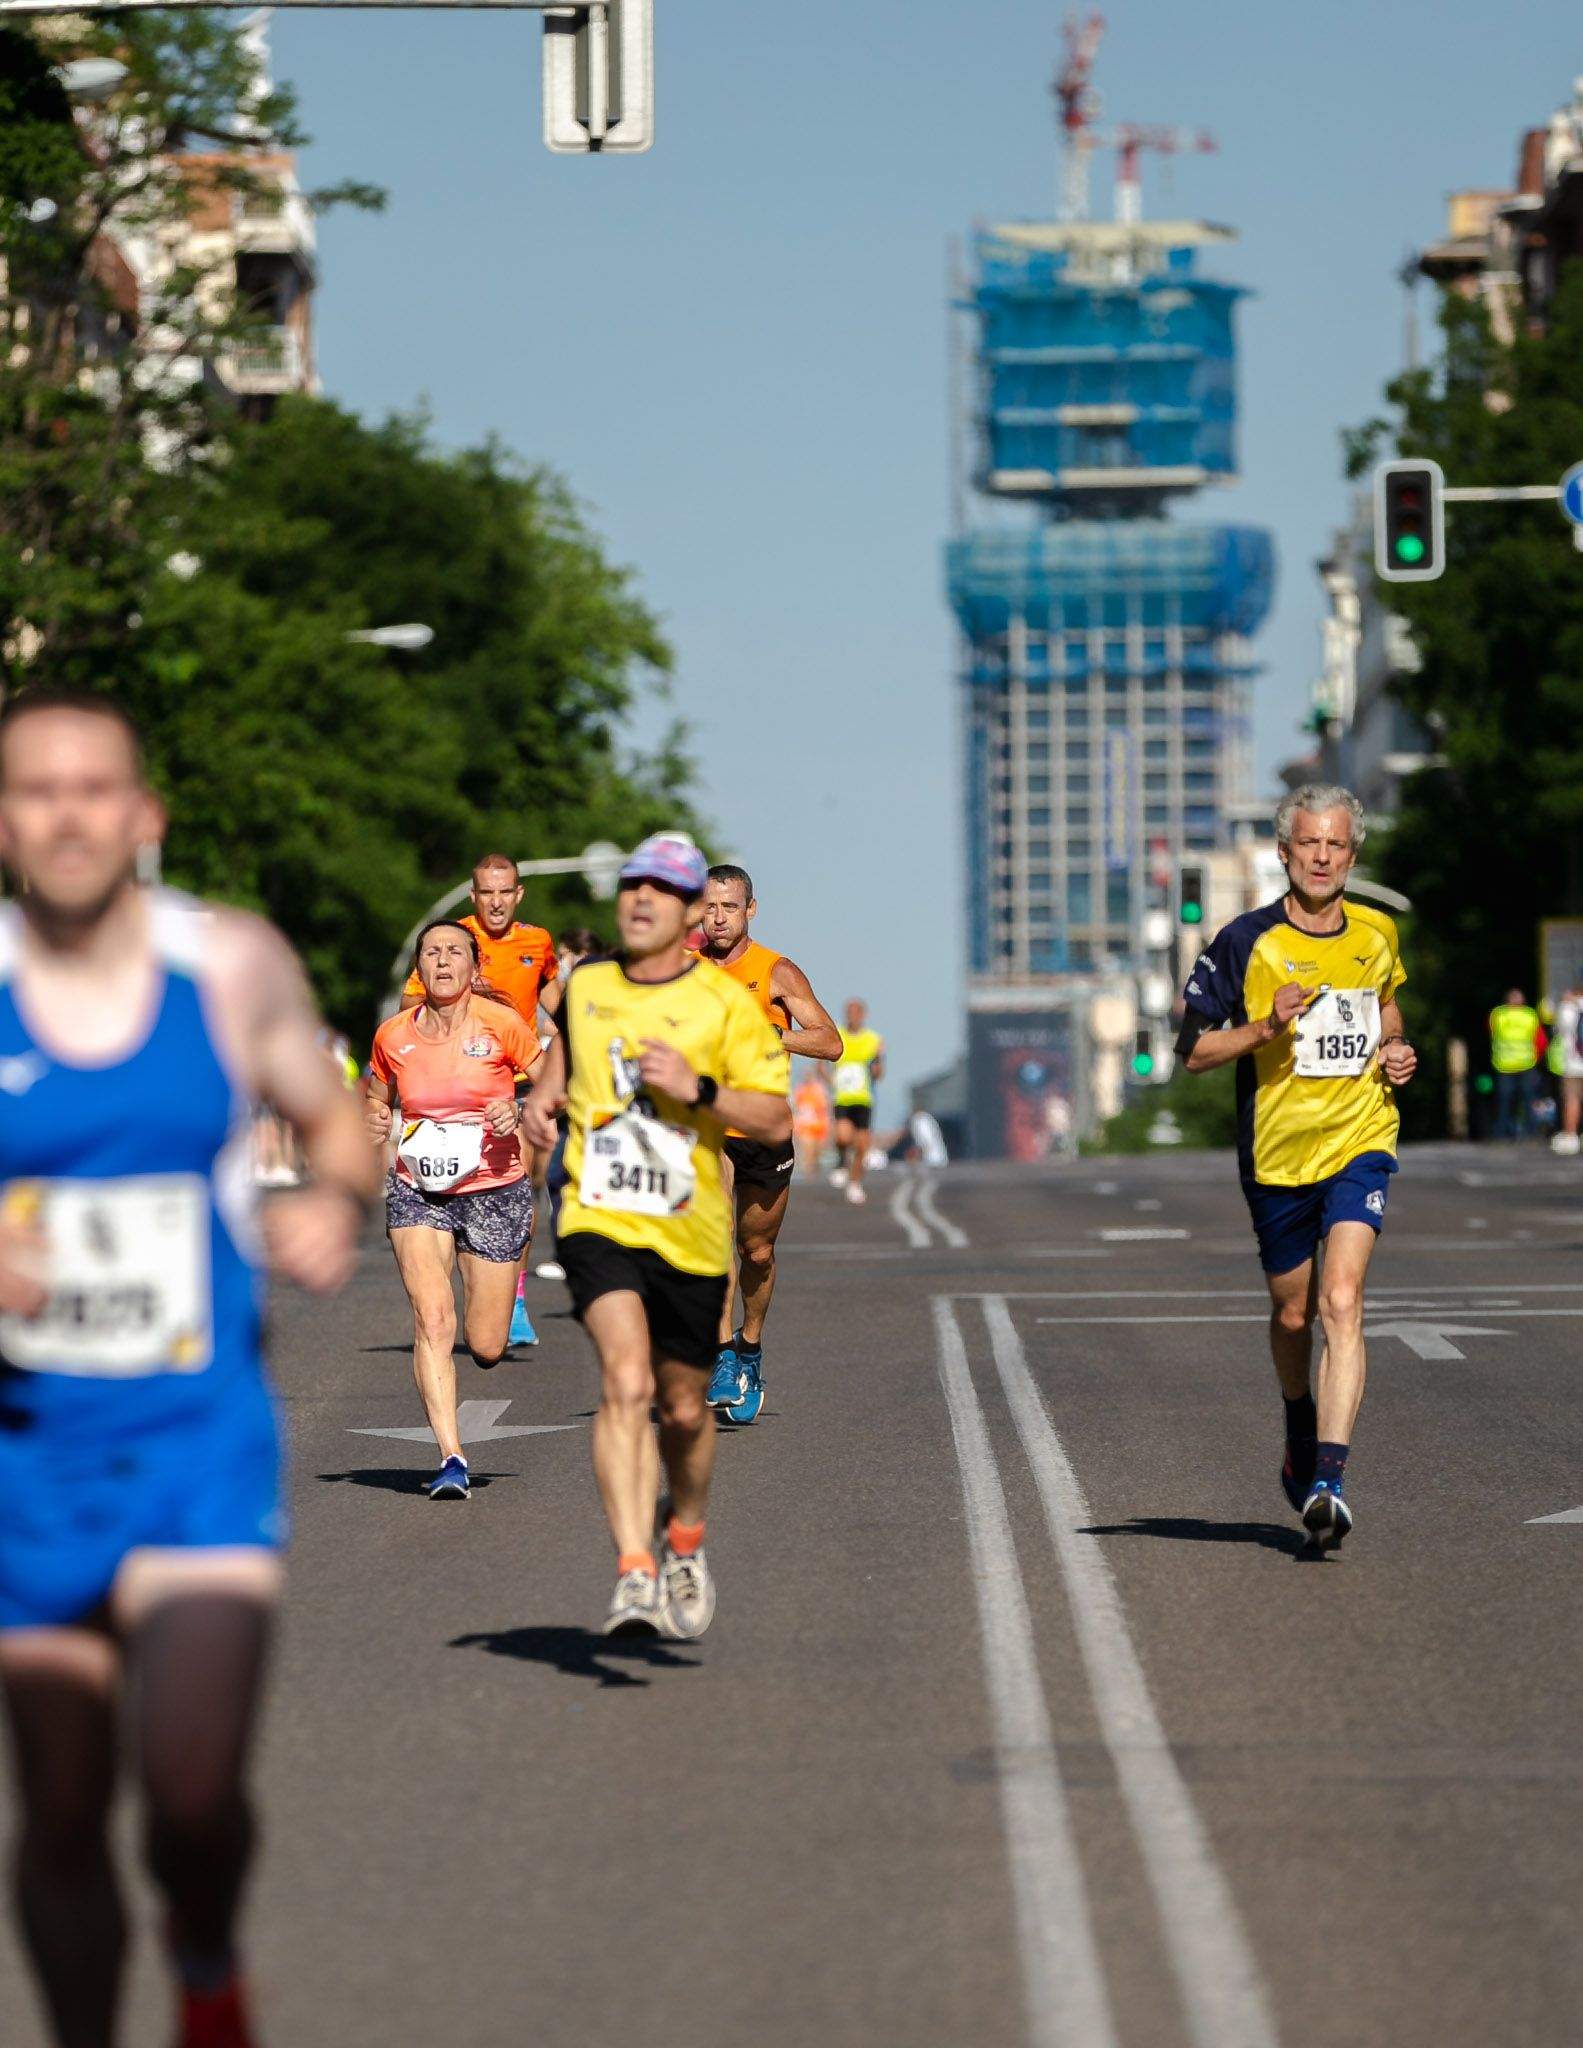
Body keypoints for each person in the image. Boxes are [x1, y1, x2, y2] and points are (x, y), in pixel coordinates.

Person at [0, 691, 377, 2048]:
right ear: (3, 821)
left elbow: (341, 1124)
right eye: (35, 789)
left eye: (93, 787)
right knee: (58, 1807)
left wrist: (331, 1201)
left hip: (194, 1448)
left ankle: (205, 1952)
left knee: (191, 1790)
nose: (66, 813)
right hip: (27, 1462)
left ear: (142, 815)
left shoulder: (227, 967)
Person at [521, 834, 791, 1638]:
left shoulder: (724, 1004)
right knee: (624, 1383)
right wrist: (542, 1102)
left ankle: (683, 1541)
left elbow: (774, 1117)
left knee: (681, 1410)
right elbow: (559, 1068)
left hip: (690, 1226)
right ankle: (633, 1570)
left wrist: (697, 1088)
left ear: (686, 915)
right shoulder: (588, 985)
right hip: (598, 1213)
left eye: (659, 890)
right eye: (631, 886)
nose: (639, 899)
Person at [1175, 784, 1417, 1551]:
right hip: (1278, 1155)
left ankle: (1327, 1481)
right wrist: (1264, 1025)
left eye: (1335, 845)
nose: (1321, 857)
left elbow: (1385, 1008)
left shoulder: (1376, 932)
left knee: (1341, 1300)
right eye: (1307, 844)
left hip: (1359, 1137)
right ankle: (1295, 1418)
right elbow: (1193, 1053)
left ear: (1352, 854)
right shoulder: (1243, 941)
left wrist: (1394, 1050)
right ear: (1284, 854)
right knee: (1293, 1313)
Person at [368, 922, 543, 1500]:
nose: (443, 961)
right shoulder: (393, 1035)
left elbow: (550, 1089)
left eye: (454, 952)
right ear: (419, 967)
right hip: (419, 1189)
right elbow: (377, 1094)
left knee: (487, 1346)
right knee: (432, 1320)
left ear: (474, 967)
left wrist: (516, 1110)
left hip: (494, 1187)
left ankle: (508, 1277)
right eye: (432, 952)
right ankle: (450, 1456)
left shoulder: (503, 1026)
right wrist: (373, 1117)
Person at [693, 864, 840, 1425]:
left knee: (756, 1251)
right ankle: (722, 1357)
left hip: (763, 1129)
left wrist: (776, 1035)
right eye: (709, 907)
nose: (718, 917)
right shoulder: (683, 970)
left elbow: (831, 1043)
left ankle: (749, 1346)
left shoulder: (776, 972)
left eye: (729, 907)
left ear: (750, 910)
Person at [402, 854, 559, 1350]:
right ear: (474, 896)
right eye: (486, 892)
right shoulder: (450, 943)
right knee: (459, 1186)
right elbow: (409, 1004)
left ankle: (512, 1296)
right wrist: (470, 994)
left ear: (518, 895)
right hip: (461, 1086)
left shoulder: (538, 942)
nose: (496, 901)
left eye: (504, 891)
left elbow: (555, 998)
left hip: (519, 1085)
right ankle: (464, 1285)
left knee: (522, 1189)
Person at [534, 927, 603, 1283]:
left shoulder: (600, 993)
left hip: (595, 1105)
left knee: (589, 1176)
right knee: (558, 1177)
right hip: (563, 1104)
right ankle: (568, 1251)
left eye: (568, 955)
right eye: (560, 956)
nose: (562, 963)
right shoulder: (554, 997)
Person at [829, 999, 885, 1205]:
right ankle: (842, 1160)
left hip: (863, 1098)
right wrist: (831, 1082)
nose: (852, 1016)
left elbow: (879, 1073)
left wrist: (878, 1061)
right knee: (843, 1137)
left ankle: (854, 1183)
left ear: (863, 1015)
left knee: (862, 1145)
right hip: (842, 1097)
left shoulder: (873, 1040)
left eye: (856, 1012)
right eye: (849, 1012)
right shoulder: (838, 1036)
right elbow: (822, 1064)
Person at [1488, 987, 1541, 1141]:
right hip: (1514, 1064)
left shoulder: (1498, 1014)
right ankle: (1520, 1131)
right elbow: (1538, 1038)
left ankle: (1510, 1131)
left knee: (1513, 1100)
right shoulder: (1529, 1015)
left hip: (1514, 1064)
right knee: (1518, 1100)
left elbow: (1491, 1033)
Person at [1544, 980, 1583, 1155]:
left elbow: (1560, 1028)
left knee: (1572, 1099)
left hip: (1574, 1063)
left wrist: (1565, 1002)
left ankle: (1571, 1136)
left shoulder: (1568, 1008)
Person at [792, 1069, 832, 1177]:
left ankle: (813, 1171)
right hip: (805, 1126)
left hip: (819, 1125)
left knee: (817, 1152)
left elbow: (826, 1106)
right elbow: (795, 1107)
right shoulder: (800, 1090)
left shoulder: (819, 1090)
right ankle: (808, 1173)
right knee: (808, 1150)